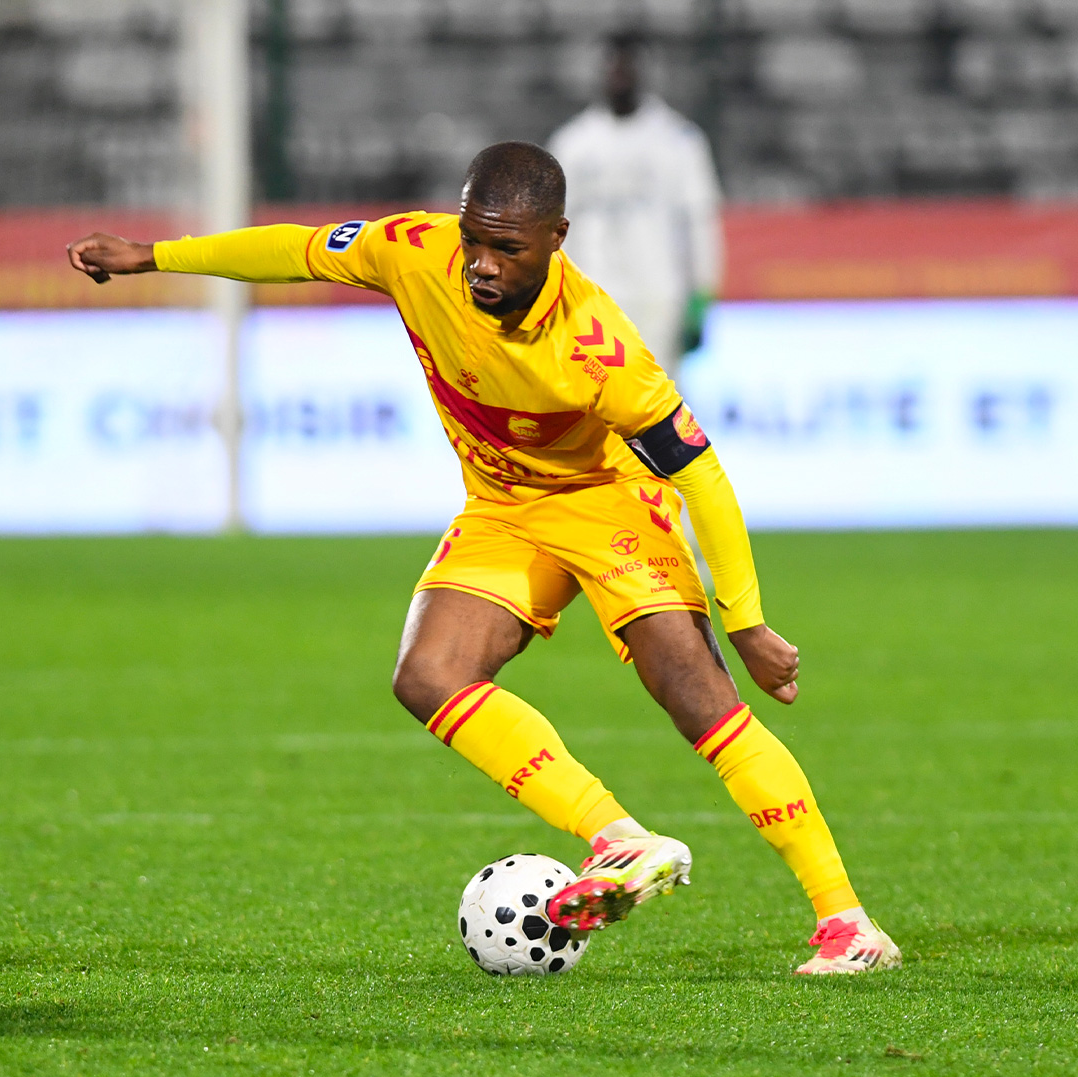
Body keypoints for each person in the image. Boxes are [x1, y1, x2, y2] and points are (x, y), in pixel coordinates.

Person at [67, 141, 899, 974]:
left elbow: (701, 475)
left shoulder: (601, 348)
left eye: (510, 248)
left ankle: (848, 923)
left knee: (698, 701)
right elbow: (294, 248)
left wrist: (746, 621)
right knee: (428, 674)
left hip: (607, 504)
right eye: (476, 241)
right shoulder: (413, 251)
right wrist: (153, 257)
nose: (484, 267)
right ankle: (619, 839)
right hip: (503, 508)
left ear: (557, 238)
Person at [549, 32, 720, 379]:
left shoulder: (679, 141)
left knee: (657, 411)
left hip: (658, 298)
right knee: (593, 413)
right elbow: (551, 230)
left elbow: (700, 221)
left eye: (628, 65)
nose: (620, 74)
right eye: (613, 65)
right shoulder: (572, 144)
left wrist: (702, 295)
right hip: (591, 299)